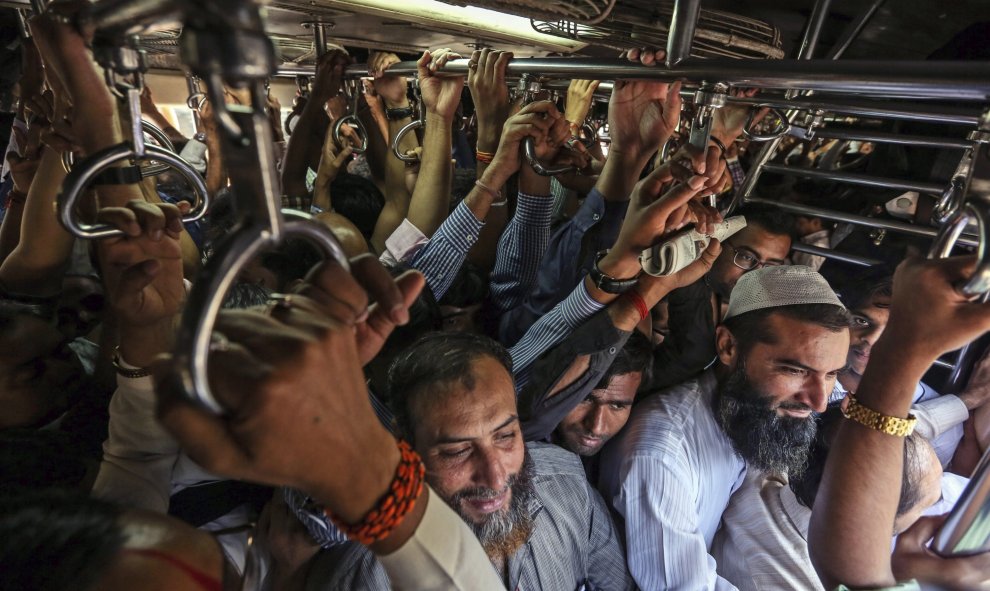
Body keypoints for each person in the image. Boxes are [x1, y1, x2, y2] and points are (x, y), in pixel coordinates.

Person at [303, 332, 633, 590]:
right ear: (405, 448)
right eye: (457, 451)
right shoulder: (365, 580)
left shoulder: (566, 485)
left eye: (505, 437)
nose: (494, 476)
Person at [598, 265, 851, 590]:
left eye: (831, 375)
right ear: (728, 347)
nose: (818, 401)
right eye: (794, 370)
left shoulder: (755, 408)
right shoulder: (661, 453)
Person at [810, 255, 990, 591]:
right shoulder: (812, 383)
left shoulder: (938, 412)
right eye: (862, 321)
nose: (872, 340)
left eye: (890, 329)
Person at [711, 409, 966, 591]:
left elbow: (869, 436)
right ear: (872, 527)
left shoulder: (767, 466)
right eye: (932, 503)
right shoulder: (799, 583)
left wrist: (963, 401)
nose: (942, 509)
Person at [834, 276, 990, 467]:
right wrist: (965, 401)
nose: (871, 339)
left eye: (894, 331)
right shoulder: (809, 376)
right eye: (861, 321)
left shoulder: (944, 422)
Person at [646, 207, 795, 393]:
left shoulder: (758, 307)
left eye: (770, 265)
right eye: (747, 256)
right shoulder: (676, 278)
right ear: (719, 242)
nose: (755, 275)